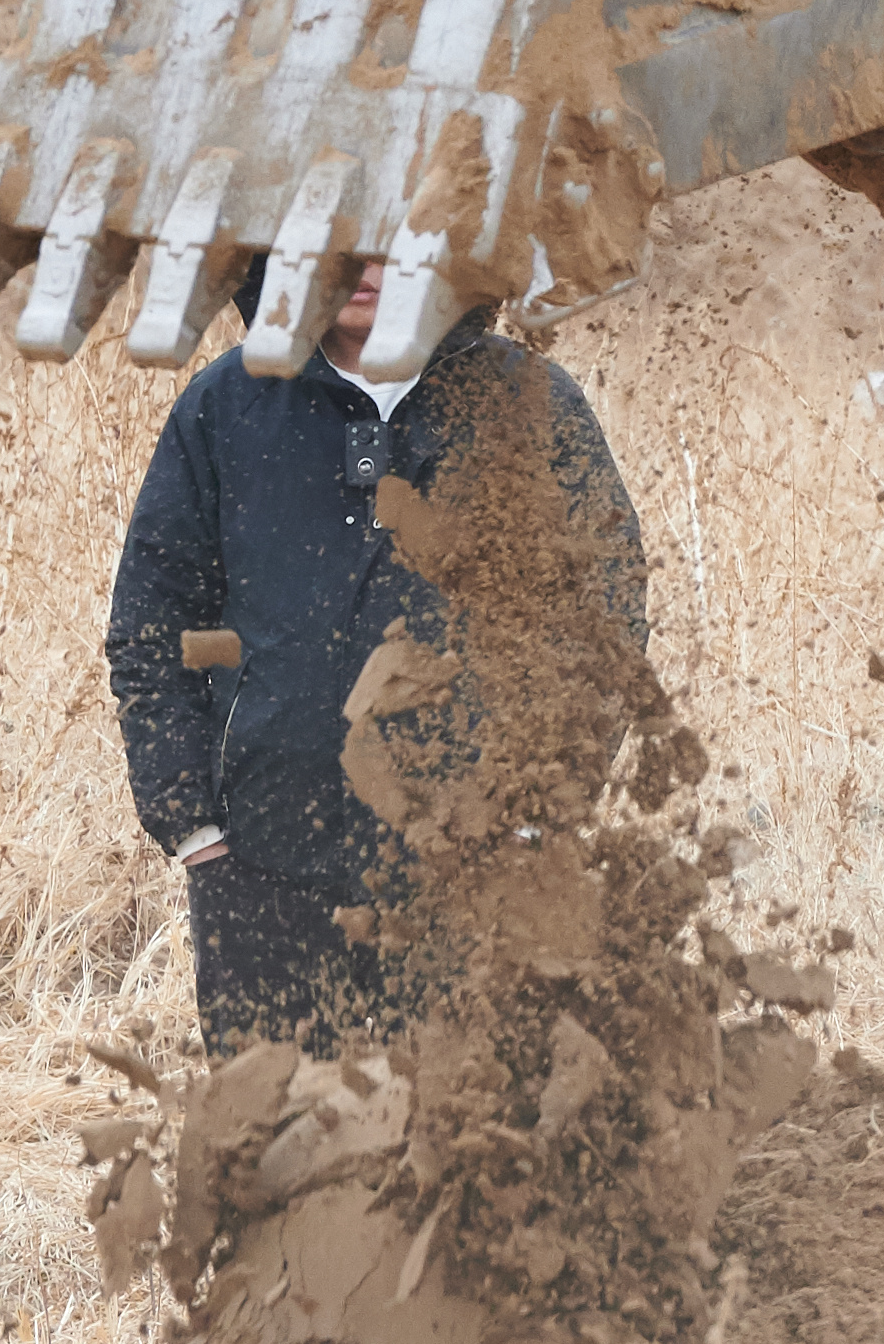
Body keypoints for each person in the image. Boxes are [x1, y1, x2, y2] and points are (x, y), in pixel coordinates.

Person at [103, 255, 652, 1055]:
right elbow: (150, 623)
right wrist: (196, 829)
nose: (365, 262)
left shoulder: (528, 404)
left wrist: (539, 811)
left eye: (396, 232)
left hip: (474, 868)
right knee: (277, 1153)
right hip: (264, 870)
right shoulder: (225, 406)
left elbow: (601, 615)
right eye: (338, 234)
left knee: (463, 1150)